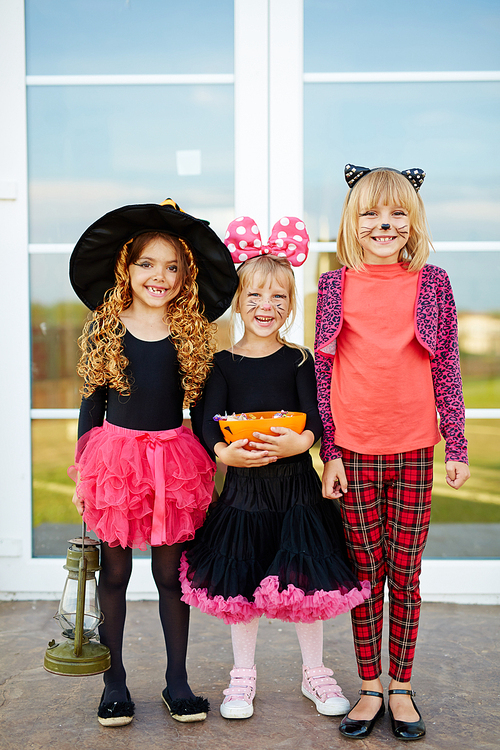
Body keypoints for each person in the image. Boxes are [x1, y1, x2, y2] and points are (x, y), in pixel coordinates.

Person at [180, 216, 371, 721]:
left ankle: (316, 673)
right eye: (256, 297)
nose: (267, 308)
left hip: (296, 493)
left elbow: (316, 420)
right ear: (239, 301)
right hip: (243, 493)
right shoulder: (221, 363)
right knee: (242, 584)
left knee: (305, 578)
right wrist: (224, 454)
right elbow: (206, 424)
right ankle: (242, 678)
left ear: (291, 305)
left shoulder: (300, 360)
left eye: (279, 299)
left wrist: (301, 443)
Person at [68, 199, 238, 727]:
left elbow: (203, 412)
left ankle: (177, 682)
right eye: (147, 264)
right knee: (114, 575)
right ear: (127, 268)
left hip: (174, 461)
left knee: (170, 575)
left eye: (172, 266)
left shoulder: (191, 332)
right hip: (115, 464)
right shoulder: (108, 327)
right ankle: (114, 682)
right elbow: (91, 405)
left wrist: (220, 449)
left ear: (186, 274)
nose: (158, 276)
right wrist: (88, 486)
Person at [315, 165, 470, 741]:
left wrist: (455, 441)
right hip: (354, 452)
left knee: (404, 573)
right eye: (371, 214)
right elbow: (324, 374)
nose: (384, 224)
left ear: (413, 221)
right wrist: (329, 451)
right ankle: (369, 686)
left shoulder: (433, 283)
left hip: (412, 450)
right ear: (354, 223)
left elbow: (447, 365)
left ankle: (401, 686)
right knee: (365, 574)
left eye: (397, 213)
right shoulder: (334, 286)